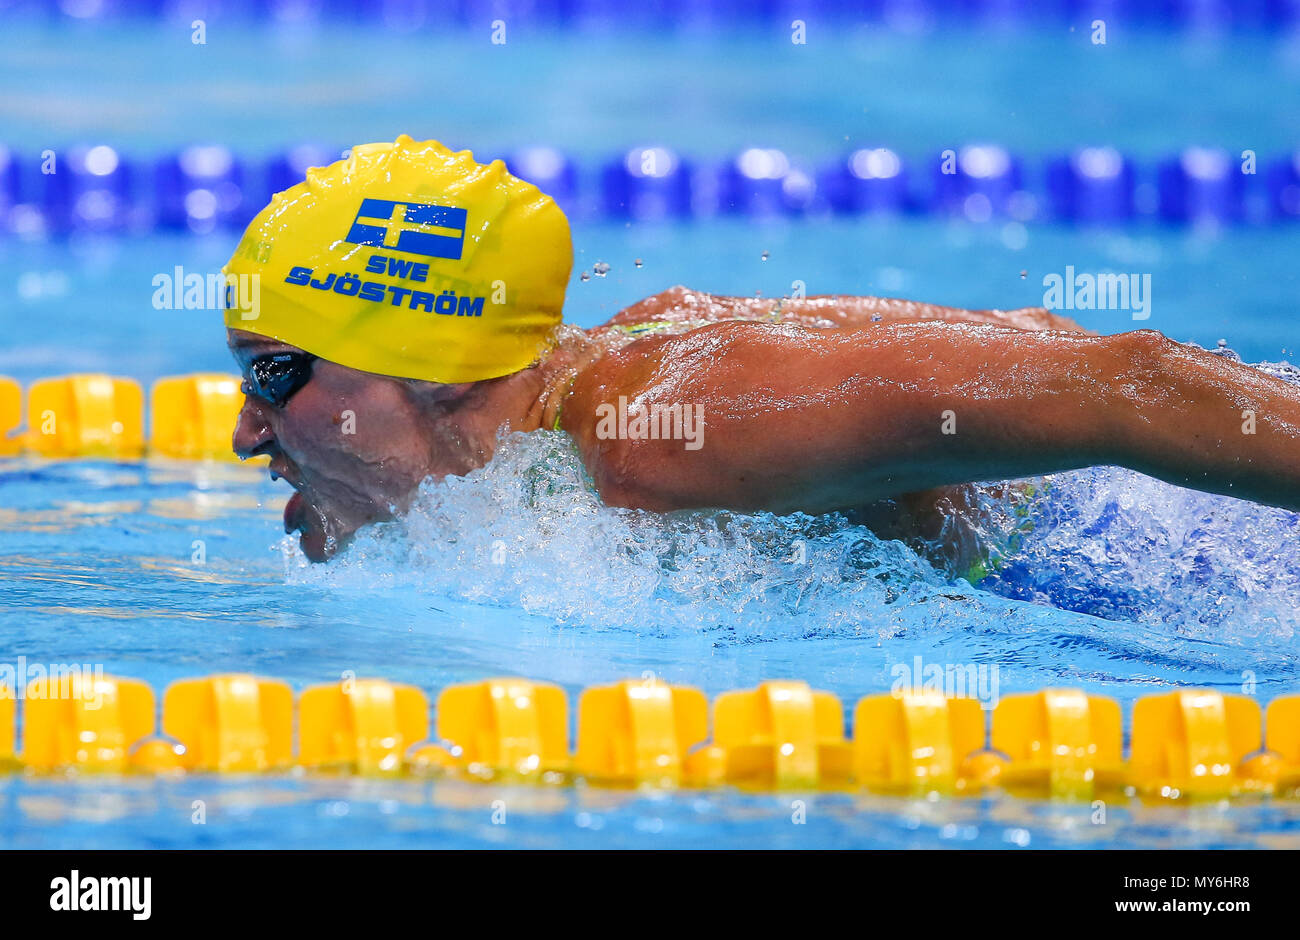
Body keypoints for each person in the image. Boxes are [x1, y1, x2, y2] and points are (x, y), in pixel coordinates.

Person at [225, 137, 1300, 563]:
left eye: (274, 374)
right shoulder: (571, 416)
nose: (241, 429)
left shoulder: (676, 433)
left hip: (1197, 559)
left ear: (439, 364)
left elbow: (1130, 383)